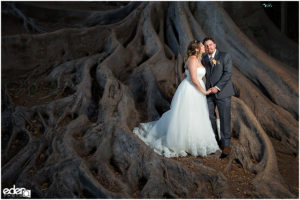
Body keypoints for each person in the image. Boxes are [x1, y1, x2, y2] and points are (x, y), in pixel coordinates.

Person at [133, 40, 219, 158]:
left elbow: (186, 74)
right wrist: (204, 91)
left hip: (195, 89)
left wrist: (187, 75)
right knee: (186, 114)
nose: (205, 47)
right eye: (202, 46)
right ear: (197, 49)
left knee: (195, 114)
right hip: (192, 90)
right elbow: (194, 79)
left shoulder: (197, 59)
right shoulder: (193, 59)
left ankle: (193, 139)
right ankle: (181, 141)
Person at [202, 37, 235, 158]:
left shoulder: (224, 56)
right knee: (210, 116)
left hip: (223, 92)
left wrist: (217, 87)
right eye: (206, 46)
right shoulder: (204, 58)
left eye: (210, 45)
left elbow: (228, 73)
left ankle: (226, 145)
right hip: (209, 93)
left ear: (214, 45)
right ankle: (215, 141)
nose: (208, 47)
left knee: (225, 117)